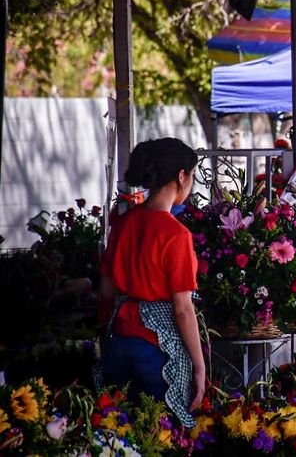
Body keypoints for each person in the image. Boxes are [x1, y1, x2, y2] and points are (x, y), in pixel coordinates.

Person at [98, 138, 204, 429]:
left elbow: (106, 291)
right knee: (162, 434)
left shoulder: (123, 224)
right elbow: (183, 309)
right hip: (157, 350)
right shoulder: (176, 234)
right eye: (192, 176)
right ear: (181, 176)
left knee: (120, 433)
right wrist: (199, 365)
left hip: (118, 342)